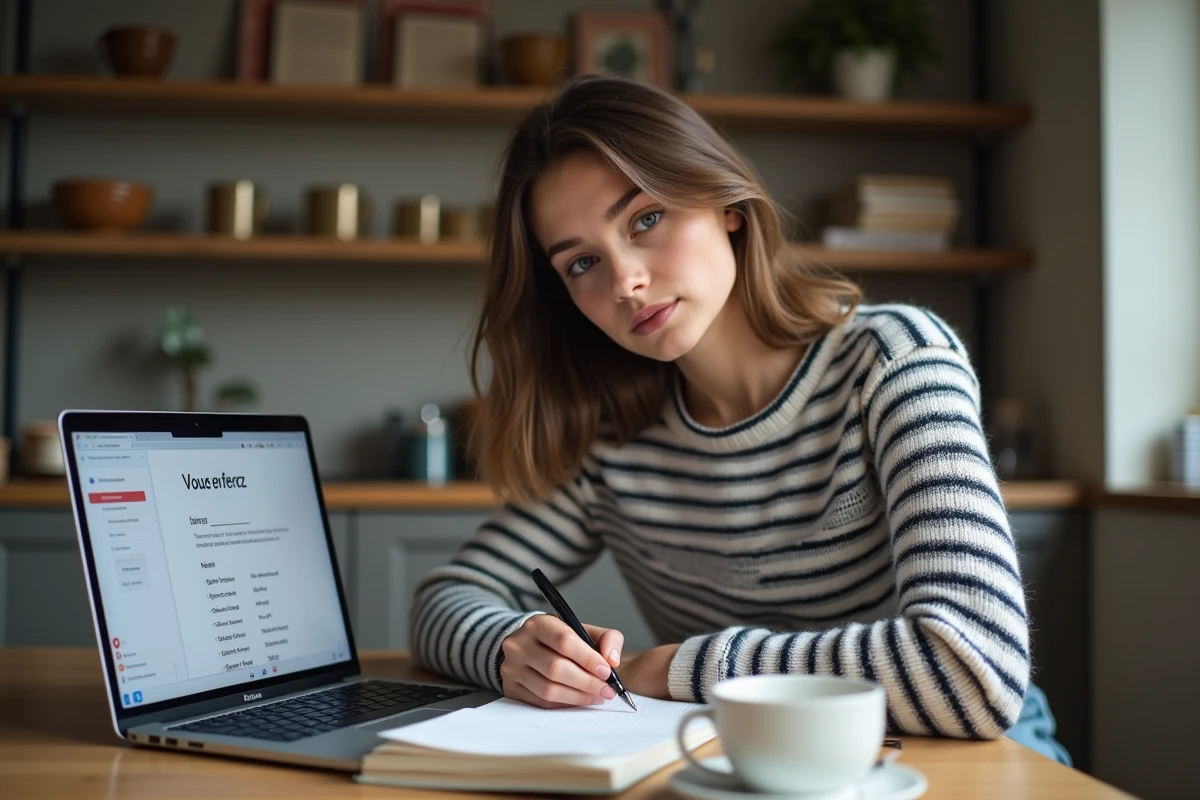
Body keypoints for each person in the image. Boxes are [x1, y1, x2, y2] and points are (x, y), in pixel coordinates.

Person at [411, 74, 1061, 755]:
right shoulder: (613, 440)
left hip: (966, 757)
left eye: (646, 219)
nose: (625, 281)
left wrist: (685, 668)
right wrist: (512, 648)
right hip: (752, 764)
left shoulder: (895, 360)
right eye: (581, 263)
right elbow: (446, 598)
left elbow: (973, 668)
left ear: (725, 203)